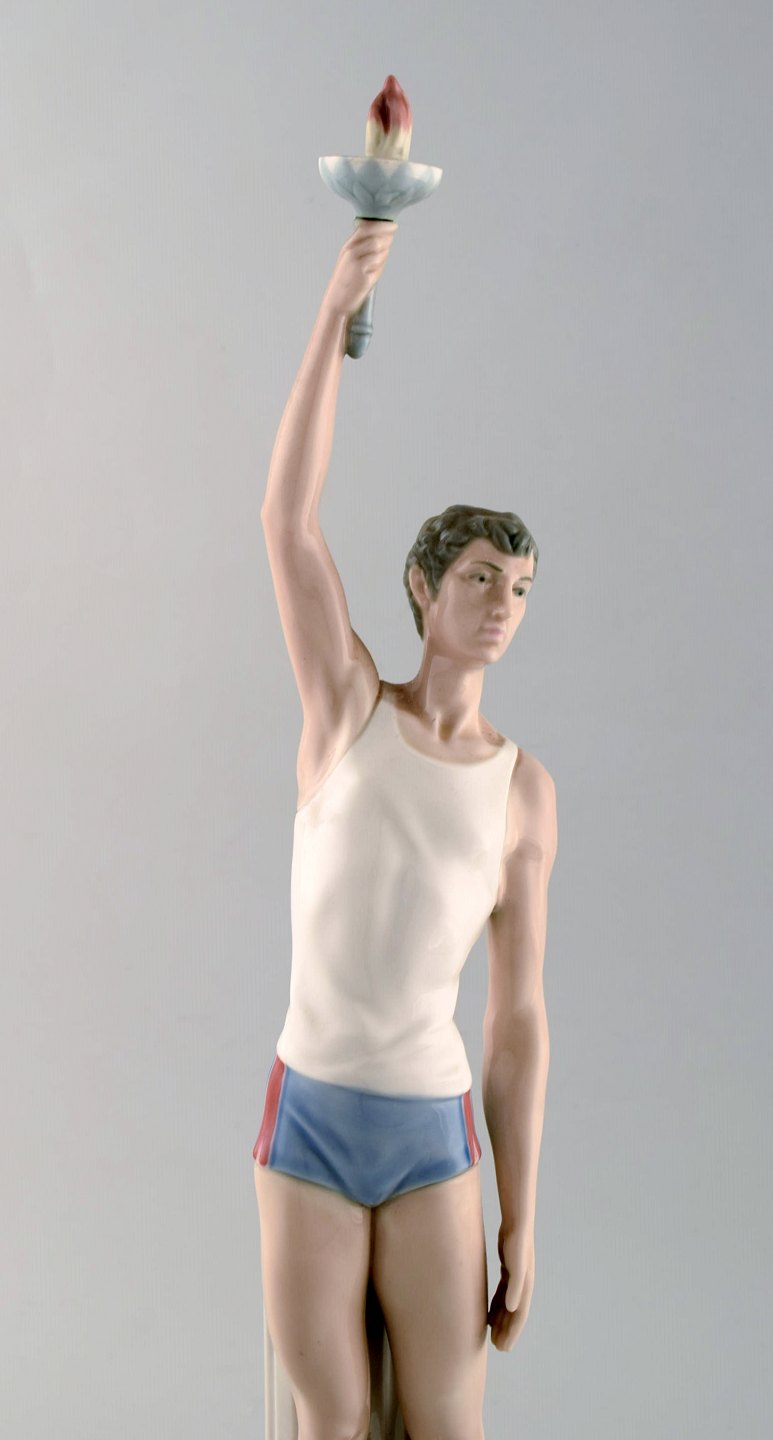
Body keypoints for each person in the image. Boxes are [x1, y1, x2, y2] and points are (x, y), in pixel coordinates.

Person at [253, 220, 557, 1440]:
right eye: (480, 576)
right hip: (310, 1119)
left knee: (445, 1422)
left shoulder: (520, 790)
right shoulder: (345, 714)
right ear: (424, 587)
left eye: (519, 587)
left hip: (432, 1134)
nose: (501, 604)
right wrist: (333, 312)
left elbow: (516, 1019)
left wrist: (522, 1210)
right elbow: (286, 521)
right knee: (328, 1422)